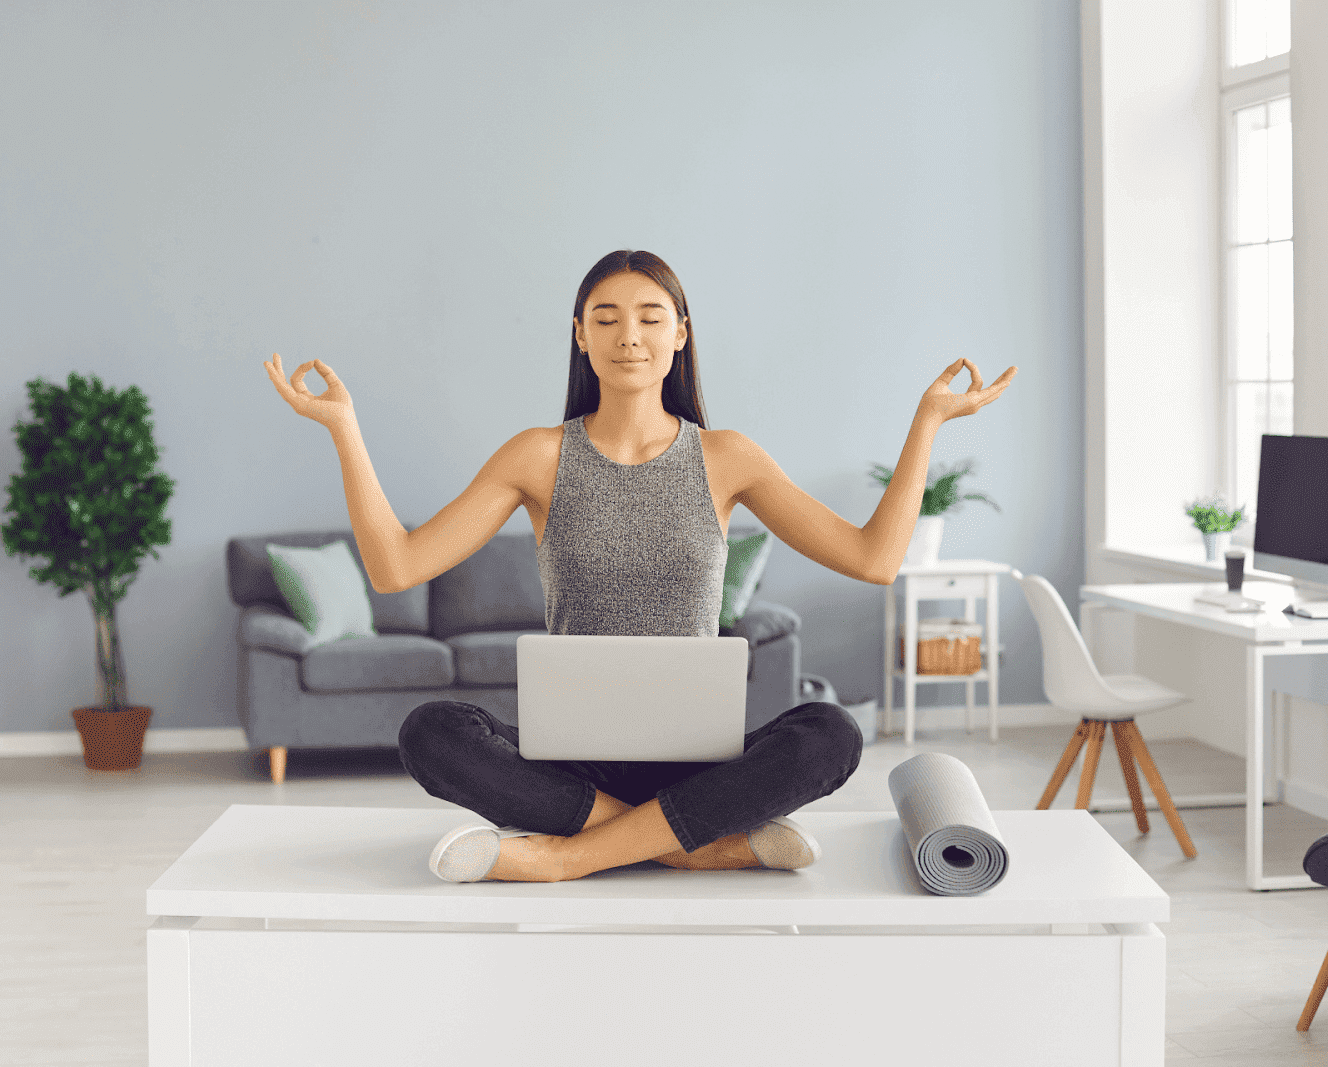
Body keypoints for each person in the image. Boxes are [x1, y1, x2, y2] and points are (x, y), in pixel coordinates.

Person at [265, 249, 1016, 884]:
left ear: (681, 334)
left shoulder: (727, 459)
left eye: (652, 317)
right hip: (573, 768)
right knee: (432, 732)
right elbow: (397, 566)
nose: (631, 336)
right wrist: (344, 429)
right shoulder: (538, 455)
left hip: (696, 760)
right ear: (580, 337)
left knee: (831, 732)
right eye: (608, 318)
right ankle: (692, 846)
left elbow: (874, 557)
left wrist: (928, 423)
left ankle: (565, 860)